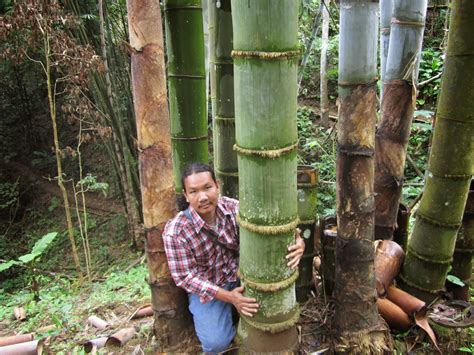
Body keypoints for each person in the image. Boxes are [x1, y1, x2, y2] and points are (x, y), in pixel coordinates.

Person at [163, 162, 305, 353]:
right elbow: (185, 277)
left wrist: (298, 239)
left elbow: (267, 225)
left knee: (270, 311)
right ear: (186, 196)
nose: (203, 197)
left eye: (207, 187)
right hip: (210, 289)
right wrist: (230, 298)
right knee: (216, 345)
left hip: (242, 274)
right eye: (194, 191)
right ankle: (226, 315)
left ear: (217, 186)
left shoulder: (232, 208)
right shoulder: (176, 231)